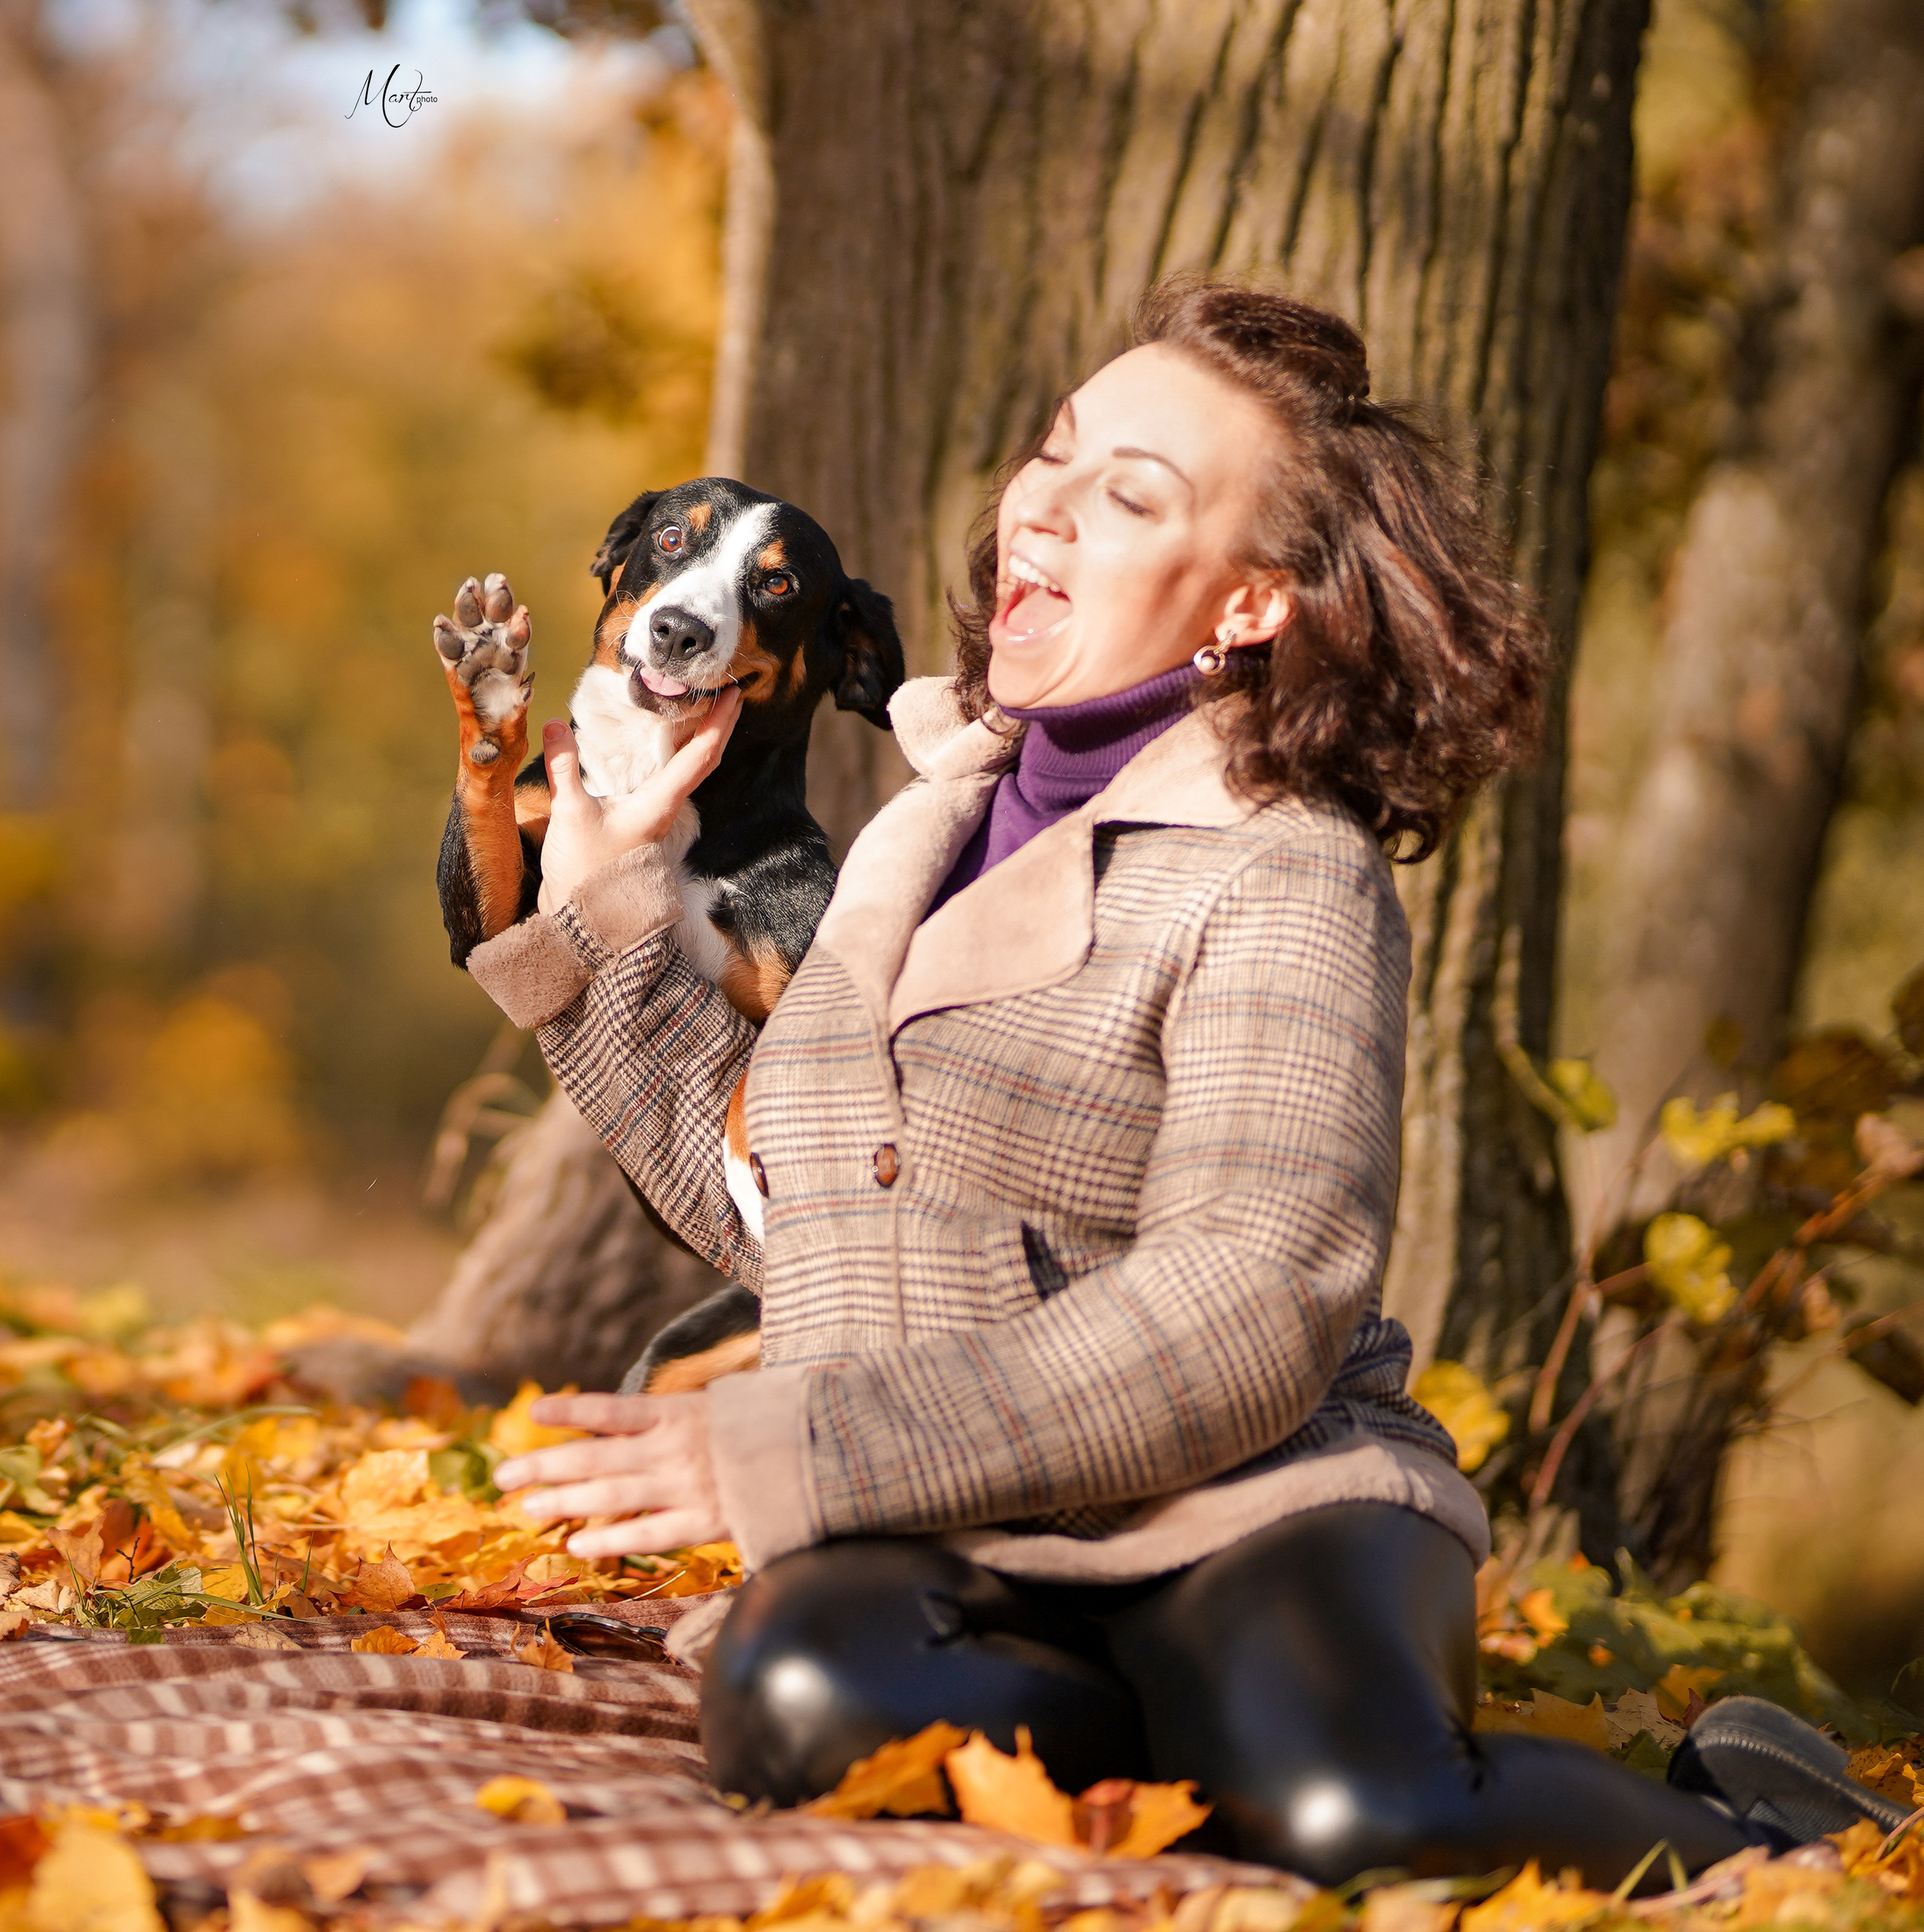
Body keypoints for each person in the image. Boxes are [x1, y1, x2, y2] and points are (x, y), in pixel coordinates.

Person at [472, 279, 1899, 1886]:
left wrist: (784, 1448)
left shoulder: (1286, 864)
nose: (1042, 513)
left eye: (1127, 495)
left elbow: (1253, 1293)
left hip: (1251, 1502)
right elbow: (777, 1206)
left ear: (1247, 605)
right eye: (1052, 456)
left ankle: (1761, 1817)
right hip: (948, 1516)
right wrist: (600, 909)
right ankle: (1178, 1738)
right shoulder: (921, 822)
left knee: (1347, 1816)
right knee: (809, 1704)